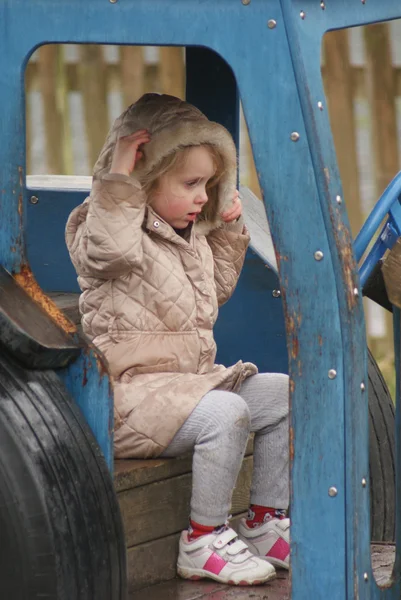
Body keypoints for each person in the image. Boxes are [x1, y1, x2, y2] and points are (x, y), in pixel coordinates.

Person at [66, 93, 290, 587]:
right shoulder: (104, 225)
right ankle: (203, 539)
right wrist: (121, 176)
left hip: (183, 387)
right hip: (126, 396)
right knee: (227, 413)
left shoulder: (190, 237)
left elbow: (213, 297)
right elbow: (109, 249)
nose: (202, 197)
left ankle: (261, 523)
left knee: (282, 396)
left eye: (208, 184)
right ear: (145, 178)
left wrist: (229, 235)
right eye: (190, 184)